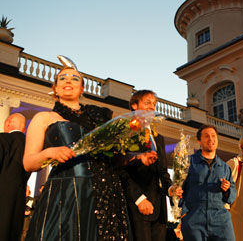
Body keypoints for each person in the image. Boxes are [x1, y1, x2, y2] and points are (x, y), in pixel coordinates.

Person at [23, 63, 155, 240]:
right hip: (68, 193)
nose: (68, 80)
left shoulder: (100, 118)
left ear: (82, 88)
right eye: (62, 78)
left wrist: (137, 157)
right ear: (55, 88)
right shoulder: (43, 118)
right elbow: (28, 163)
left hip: (107, 192)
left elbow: (114, 160)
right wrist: (50, 153)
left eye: (74, 78)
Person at [121, 90, 173, 241]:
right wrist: (139, 199)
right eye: (147, 103)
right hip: (138, 206)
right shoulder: (125, 133)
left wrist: (171, 189)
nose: (152, 107)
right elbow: (120, 170)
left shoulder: (159, 139)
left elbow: (163, 172)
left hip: (160, 210)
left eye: (154, 104)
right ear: (134, 106)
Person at [175, 124, 236, 241]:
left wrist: (227, 190)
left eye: (214, 136)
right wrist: (183, 213)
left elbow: (232, 197)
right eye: (206, 136)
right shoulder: (188, 162)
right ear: (199, 141)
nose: (211, 139)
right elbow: (177, 188)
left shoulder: (224, 167)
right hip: (194, 218)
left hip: (221, 218)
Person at [0, 113, 29, 241]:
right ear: (24, 129)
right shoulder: (30, 147)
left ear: (8, 123)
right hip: (18, 204)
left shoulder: (2, 139)